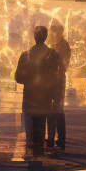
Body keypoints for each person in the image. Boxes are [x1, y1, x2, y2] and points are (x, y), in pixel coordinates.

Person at [15, 26, 62, 158]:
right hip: (45, 95)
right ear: (46, 37)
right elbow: (58, 76)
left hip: (29, 94)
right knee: (41, 123)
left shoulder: (26, 55)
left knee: (29, 125)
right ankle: (39, 150)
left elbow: (18, 78)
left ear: (34, 37)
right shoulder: (53, 55)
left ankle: (31, 150)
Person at [47, 21, 71, 150]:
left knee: (57, 110)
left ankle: (60, 138)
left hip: (58, 80)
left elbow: (64, 65)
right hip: (53, 80)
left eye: (56, 31)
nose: (54, 33)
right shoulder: (54, 44)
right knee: (52, 109)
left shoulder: (63, 45)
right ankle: (52, 137)